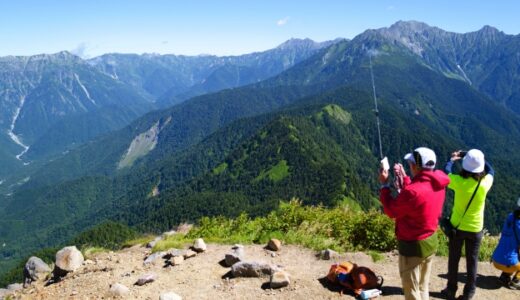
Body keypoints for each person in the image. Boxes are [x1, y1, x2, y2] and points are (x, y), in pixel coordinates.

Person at [379, 147, 450, 300]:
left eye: (411, 162)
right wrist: (405, 178)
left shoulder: (412, 192)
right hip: (430, 242)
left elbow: (391, 211)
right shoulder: (440, 182)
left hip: (412, 246)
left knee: (411, 291)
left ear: (416, 166)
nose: (410, 165)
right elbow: (420, 191)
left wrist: (384, 186)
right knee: (423, 286)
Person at [442, 149, 494, 300]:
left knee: (454, 259)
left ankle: (451, 290)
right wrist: (468, 155)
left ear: (465, 166)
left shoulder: (458, 182)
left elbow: (446, 173)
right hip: (476, 229)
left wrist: (452, 160)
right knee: (472, 262)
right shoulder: (485, 183)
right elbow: (491, 170)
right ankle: (469, 293)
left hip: (457, 227)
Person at [491, 198, 520, 289]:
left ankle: (505, 276)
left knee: (511, 251)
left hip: (496, 260)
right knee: (514, 255)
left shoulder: (510, 217)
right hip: (509, 264)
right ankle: (516, 281)